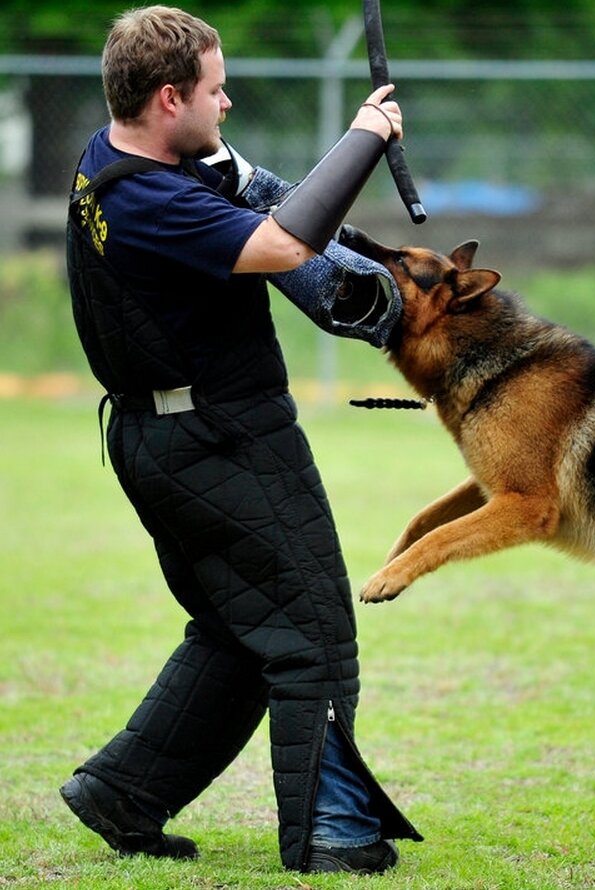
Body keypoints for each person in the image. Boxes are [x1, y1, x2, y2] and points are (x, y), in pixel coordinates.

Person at [60, 5, 421, 876]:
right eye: (216, 92)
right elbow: (286, 242)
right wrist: (366, 135)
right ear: (169, 97)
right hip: (222, 440)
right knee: (314, 638)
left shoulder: (109, 161)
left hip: (169, 438)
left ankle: (124, 792)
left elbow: (236, 198)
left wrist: (234, 170)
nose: (229, 104)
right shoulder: (147, 199)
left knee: (236, 630)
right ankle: (334, 831)